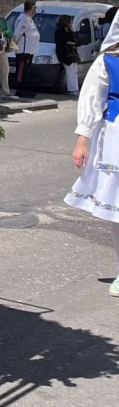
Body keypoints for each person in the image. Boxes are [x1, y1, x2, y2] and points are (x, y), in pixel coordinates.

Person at [65, 18, 119, 297]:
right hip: (116, 137)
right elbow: (92, 99)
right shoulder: (108, 60)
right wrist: (83, 140)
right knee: (117, 210)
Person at [12, 1, 40, 98]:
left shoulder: (29, 19)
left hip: (29, 50)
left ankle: (25, 89)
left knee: (26, 72)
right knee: (21, 72)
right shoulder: (23, 18)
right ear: (32, 8)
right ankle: (20, 90)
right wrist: (13, 46)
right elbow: (17, 33)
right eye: (35, 7)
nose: (36, 9)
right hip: (23, 51)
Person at [0, 3, 15, 96]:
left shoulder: (2, 19)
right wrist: (1, 33)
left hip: (3, 47)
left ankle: (6, 91)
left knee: (5, 69)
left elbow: (10, 31)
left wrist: (3, 32)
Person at [55, 14, 81, 96]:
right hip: (64, 53)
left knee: (74, 71)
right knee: (70, 71)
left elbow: (75, 39)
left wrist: (73, 41)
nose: (71, 23)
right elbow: (61, 41)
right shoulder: (59, 30)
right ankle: (72, 90)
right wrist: (71, 43)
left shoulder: (69, 30)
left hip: (72, 53)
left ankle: (75, 89)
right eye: (70, 21)